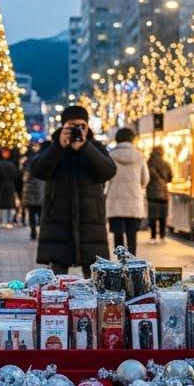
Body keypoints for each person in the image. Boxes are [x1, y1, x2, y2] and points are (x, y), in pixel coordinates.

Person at [31, 105, 118, 276]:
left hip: (90, 222)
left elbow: (109, 171)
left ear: (87, 127)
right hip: (57, 222)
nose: (78, 130)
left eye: (82, 125)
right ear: (63, 126)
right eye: (72, 125)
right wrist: (58, 147)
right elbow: (38, 171)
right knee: (57, 283)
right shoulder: (51, 146)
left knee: (94, 279)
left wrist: (85, 148)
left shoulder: (95, 147)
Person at [104, 127, 150, 255]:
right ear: (132, 139)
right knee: (132, 235)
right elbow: (145, 179)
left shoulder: (110, 156)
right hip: (134, 202)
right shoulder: (140, 156)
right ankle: (132, 263)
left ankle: (120, 264)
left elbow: (105, 178)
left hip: (115, 201)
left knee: (118, 235)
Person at [147, 144, 173, 242]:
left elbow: (146, 178)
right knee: (163, 215)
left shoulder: (149, 163)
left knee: (153, 216)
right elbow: (170, 178)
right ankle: (162, 236)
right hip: (163, 193)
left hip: (151, 193)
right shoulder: (166, 164)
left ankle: (153, 237)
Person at [21, 145, 46, 240]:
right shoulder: (42, 171)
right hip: (40, 194)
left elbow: (24, 179)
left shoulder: (28, 168)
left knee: (32, 214)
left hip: (30, 195)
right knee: (40, 214)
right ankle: (40, 232)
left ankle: (33, 232)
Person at [0, 147, 20, 228]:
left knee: (3, 206)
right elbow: (16, 177)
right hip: (10, 187)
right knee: (10, 206)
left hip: (3, 188)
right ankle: (9, 221)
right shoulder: (12, 165)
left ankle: (3, 221)